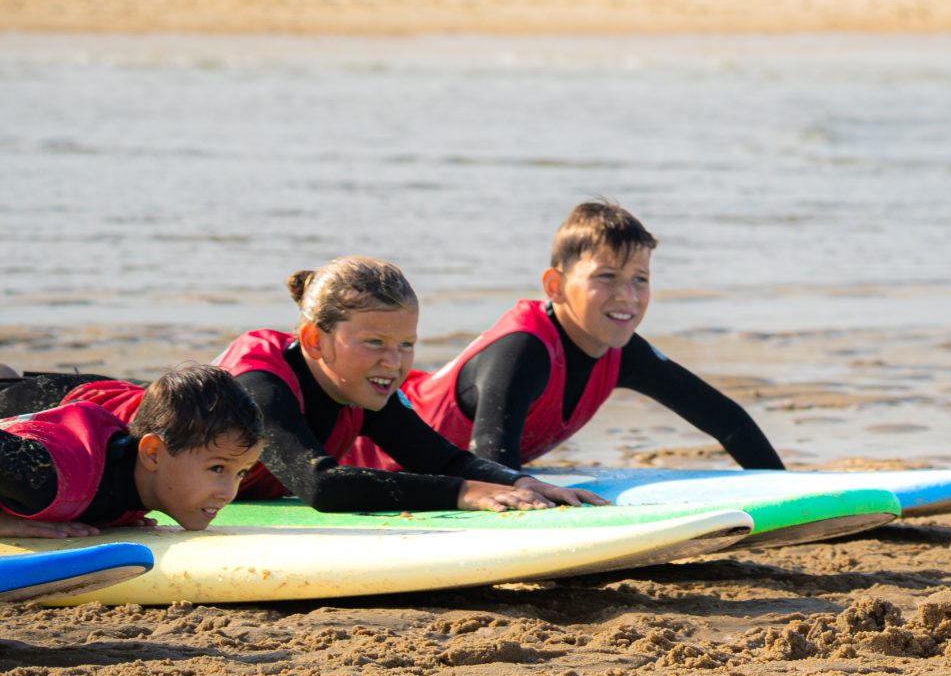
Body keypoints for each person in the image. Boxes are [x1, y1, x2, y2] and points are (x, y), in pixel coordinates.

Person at [7, 260, 603, 513]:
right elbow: (318, 484)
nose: (393, 363)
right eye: (373, 342)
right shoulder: (263, 385)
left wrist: (516, 480)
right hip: (70, 424)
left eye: (406, 346)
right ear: (314, 340)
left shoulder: (359, 387)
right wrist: (462, 495)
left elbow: (438, 454)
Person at [365, 202, 783, 472]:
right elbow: (493, 466)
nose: (628, 296)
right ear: (555, 286)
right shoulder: (522, 351)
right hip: (368, 454)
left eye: (641, 279)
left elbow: (725, 420)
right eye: (607, 277)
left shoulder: (619, 352)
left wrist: (788, 498)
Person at [0, 364, 264, 538]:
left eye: (241, 473)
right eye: (217, 468)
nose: (229, 492)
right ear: (153, 453)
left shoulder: (135, 490)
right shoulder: (48, 478)